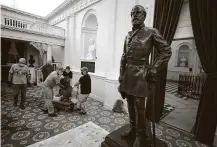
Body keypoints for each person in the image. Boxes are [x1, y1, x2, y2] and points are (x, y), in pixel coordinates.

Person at [118, 5, 172, 147]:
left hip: (141, 75)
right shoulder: (128, 35)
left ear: (144, 16)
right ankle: (133, 129)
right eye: (133, 13)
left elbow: (166, 51)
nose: (135, 15)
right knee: (129, 104)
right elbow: (123, 56)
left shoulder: (151, 32)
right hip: (128, 74)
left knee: (139, 107)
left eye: (138, 13)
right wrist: (121, 74)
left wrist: (155, 68)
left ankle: (141, 136)